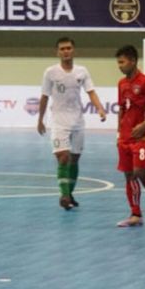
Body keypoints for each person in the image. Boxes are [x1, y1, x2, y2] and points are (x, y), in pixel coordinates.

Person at [37, 36, 106, 210]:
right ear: (57, 52)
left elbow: (91, 92)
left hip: (77, 122)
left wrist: (99, 108)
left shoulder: (82, 71)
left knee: (74, 160)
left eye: (68, 48)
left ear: (73, 50)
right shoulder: (50, 72)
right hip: (58, 122)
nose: (66, 51)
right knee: (63, 157)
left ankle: (70, 193)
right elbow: (44, 97)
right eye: (62, 49)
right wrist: (40, 120)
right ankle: (64, 194)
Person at [114, 45, 145, 227]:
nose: (119, 66)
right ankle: (136, 215)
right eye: (118, 62)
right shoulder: (121, 83)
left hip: (143, 136)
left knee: (140, 173)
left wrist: (144, 125)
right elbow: (121, 107)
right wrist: (119, 132)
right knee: (129, 176)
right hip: (125, 137)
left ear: (133, 61)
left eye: (122, 62)